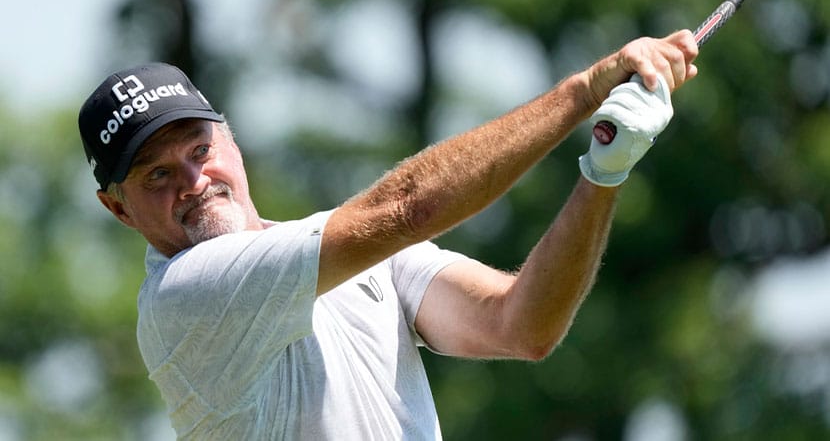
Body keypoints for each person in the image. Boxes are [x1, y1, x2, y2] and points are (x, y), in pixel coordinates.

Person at [78, 29, 698, 440]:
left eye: (199, 149)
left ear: (231, 141)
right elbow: (408, 208)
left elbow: (521, 325)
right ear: (119, 209)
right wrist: (586, 90)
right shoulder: (186, 296)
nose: (193, 180)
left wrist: (604, 172)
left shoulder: (343, 255)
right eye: (157, 173)